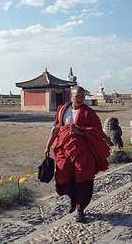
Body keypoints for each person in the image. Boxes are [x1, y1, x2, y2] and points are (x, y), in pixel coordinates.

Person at [44, 86, 110, 222]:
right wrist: (47, 146)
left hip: (82, 150)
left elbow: (96, 131)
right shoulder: (62, 110)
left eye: (82, 97)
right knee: (61, 177)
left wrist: (80, 131)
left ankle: (80, 209)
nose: (79, 99)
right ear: (71, 97)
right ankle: (74, 197)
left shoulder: (89, 113)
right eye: (77, 96)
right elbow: (55, 129)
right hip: (63, 148)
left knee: (83, 177)